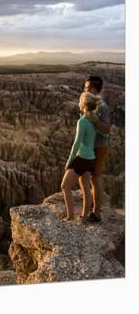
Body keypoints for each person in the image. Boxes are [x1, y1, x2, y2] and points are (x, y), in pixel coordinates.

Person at [60, 92, 101, 222]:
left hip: (81, 158)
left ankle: (70, 217)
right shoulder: (95, 119)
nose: (78, 103)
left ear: (83, 103)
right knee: (85, 187)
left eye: (79, 100)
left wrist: (70, 161)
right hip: (91, 158)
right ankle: (83, 217)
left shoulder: (82, 121)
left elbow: (77, 143)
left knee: (65, 186)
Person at [83, 75, 111, 222]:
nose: (84, 90)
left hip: (99, 146)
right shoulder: (93, 103)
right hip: (92, 146)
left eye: (86, 88)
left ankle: (96, 213)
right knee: (91, 178)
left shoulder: (102, 106)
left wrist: (95, 121)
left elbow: (106, 129)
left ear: (94, 89)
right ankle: (93, 206)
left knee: (95, 177)